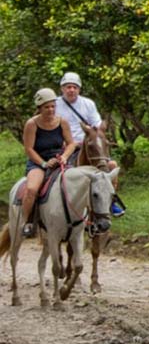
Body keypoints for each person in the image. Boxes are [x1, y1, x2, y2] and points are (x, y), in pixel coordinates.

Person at [55, 72, 123, 216]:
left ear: (79, 89)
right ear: (62, 88)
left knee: (111, 166)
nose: (71, 90)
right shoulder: (55, 105)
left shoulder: (88, 104)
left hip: (88, 144)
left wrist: (97, 134)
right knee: (56, 173)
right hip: (66, 147)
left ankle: (111, 201)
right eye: (68, 87)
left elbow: (97, 126)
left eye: (74, 87)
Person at [19, 88, 77, 238]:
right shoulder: (31, 124)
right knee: (32, 189)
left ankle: (86, 220)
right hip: (39, 162)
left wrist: (64, 157)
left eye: (53, 106)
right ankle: (27, 222)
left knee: (80, 183)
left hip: (59, 160)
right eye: (46, 107)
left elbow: (71, 143)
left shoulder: (62, 122)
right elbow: (29, 149)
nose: (50, 110)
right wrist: (44, 164)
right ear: (39, 108)